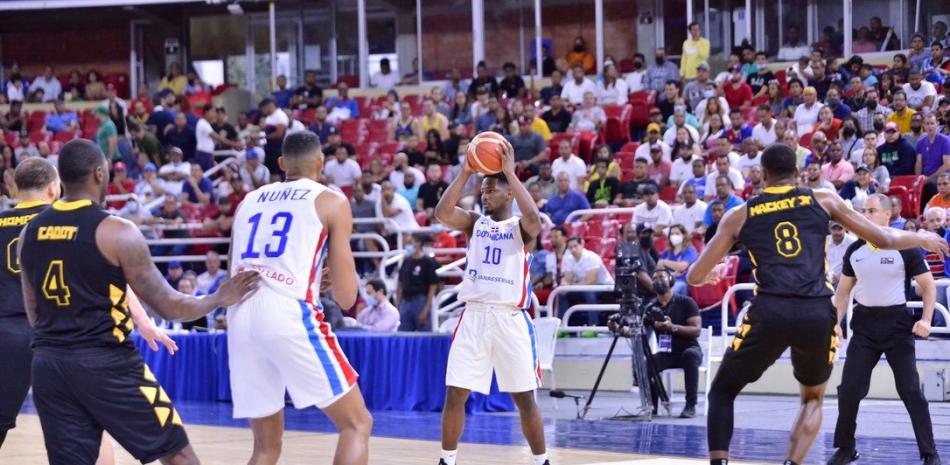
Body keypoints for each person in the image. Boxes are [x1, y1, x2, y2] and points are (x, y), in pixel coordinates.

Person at [686, 144, 947, 465]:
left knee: (722, 392)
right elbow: (885, 239)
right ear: (797, 176)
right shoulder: (822, 199)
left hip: (769, 310)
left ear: (763, 175)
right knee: (812, 399)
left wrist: (711, 272)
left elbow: (694, 276)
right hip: (816, 311)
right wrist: (922, 237)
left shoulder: (739, 214)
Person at [16, 140, 258, 465]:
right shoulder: (116, 230)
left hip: (49, 365)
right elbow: (169, 305)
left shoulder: (30, 232)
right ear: (100, 173)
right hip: (106, 363)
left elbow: (33, 311)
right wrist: (218, 297)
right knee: (178, 455)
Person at [227, 131, 371, 465]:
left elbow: (238, 271)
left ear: (280, 164)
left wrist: (306, 278)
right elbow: (347, 297)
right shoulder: (331, 199)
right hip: (286, 312)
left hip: (241, 316)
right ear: (321, 163)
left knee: (265, 447)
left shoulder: (248, 201)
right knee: (356, 424)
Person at [434, 137, 549, 465]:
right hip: (473, 316)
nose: (485, 194)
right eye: (482, 190)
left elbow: (535, 220)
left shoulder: (520, 228)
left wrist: (511, 173)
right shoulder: (474, 223)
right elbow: (442, 213)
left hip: (510, 319)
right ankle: (447, 460)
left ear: (509, 192)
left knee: (524, 399)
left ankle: (542, 461)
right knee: (455, 392)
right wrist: (464, 173)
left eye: (492, 189)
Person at [827, 194, 941, 465]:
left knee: (910, 390)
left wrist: (926, 319)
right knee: (849, 389)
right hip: (864, 327)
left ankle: (929, 453)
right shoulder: (855, 251)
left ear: (887, 215)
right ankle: (846, 449)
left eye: (871, 211)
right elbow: (843, 293)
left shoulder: (906, 247)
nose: (864, 215)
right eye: (862, 210)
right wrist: (835, 322)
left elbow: (928, 286)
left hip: (897, 326)